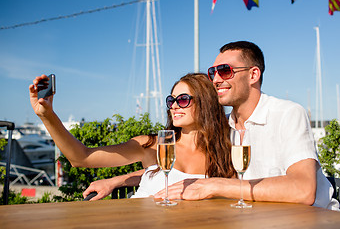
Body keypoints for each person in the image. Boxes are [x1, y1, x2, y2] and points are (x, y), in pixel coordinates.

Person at [153, 41, 339, 210]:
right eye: (213, 72)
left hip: (314, 219)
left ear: (253, 74)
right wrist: (130, 178)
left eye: (225, 71)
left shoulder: (287, 114)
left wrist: (216, 186)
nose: (216, 80)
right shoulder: (224, 126)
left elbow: (303, 190)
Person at [29, 73, 236, 199]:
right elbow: (81, 158)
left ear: (206, 103)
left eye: (182, 100)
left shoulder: (226, 149)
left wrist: (118, 180)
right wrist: (48, 116)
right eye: (171, 100)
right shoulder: (153, 145)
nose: (174, 106)